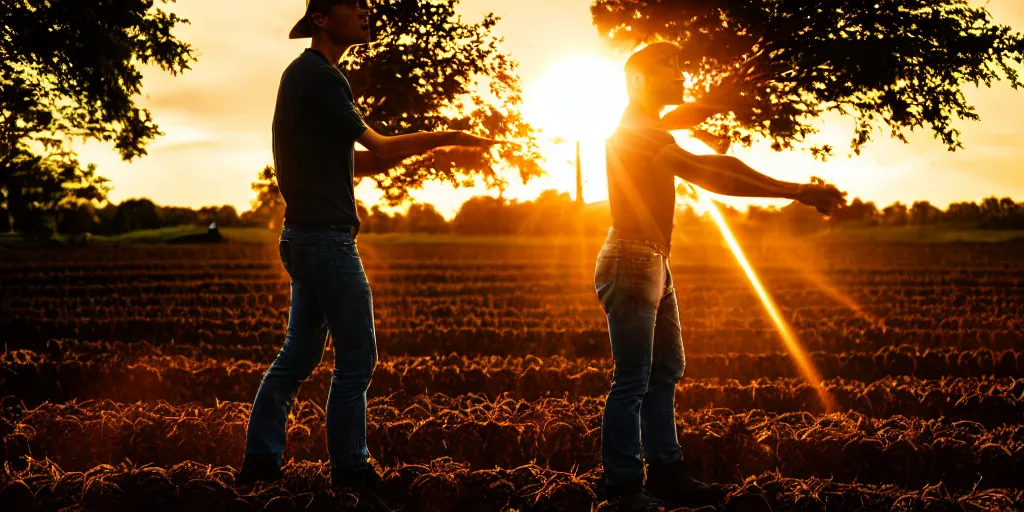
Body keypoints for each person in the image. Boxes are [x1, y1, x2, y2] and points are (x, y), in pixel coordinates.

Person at [235, 1, 500, 510]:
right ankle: (351, 469)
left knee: (298, 355)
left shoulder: (303, 77)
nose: (365, 11)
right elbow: (377, 147)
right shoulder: (323, 78)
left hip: (300, 238)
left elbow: (354, 163)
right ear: (321, 19)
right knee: (357, 359)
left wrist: (418, 150)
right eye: (352, 5)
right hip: (329, 241)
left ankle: (261, 462)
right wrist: (446, 136)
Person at [596, 42, 845, 510]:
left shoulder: (649, 125)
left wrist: (721, 103)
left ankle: (667, 475)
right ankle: (624, 490)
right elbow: (714, 173)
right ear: (636, 81)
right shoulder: (638, 134)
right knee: (633, 378)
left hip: (652, 259)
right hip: (632, 260)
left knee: (664, 371)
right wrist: (795, 190)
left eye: (681, 66)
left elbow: (686, 115)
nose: (681, 75)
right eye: (668, 68)